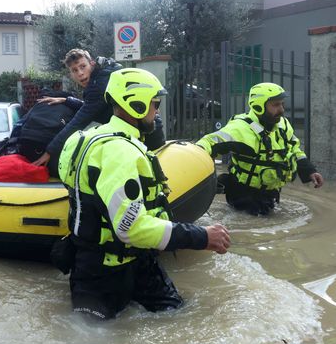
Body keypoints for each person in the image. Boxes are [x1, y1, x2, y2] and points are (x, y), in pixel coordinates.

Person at [58, 68, 230, 320]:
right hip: (104, 275)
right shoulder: (121, 153)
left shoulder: (82, 139)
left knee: (181, 316)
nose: (157, 111)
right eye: (154, 103)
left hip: (133, 262)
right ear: (135, 104)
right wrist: (201, 236)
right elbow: (130, 227)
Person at [196, 82, 323, 215]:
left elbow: (294, 149)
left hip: (270, 194)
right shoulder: (240, 128)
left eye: (282, 104)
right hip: (243, 196)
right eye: (275, 105)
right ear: (258, 106)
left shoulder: (282, 124)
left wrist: (309, 171)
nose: (281, 109)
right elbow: (208, 142)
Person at [32, 48, 165, 172]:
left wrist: (49, 151)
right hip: (148, 132)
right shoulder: (102, 76)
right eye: (74, 70)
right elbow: (92, 108)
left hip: (147, 137)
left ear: (92, 64)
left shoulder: (98, 85)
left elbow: (78, 122)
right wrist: (67, 100)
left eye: (83, 66)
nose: (80, 73)